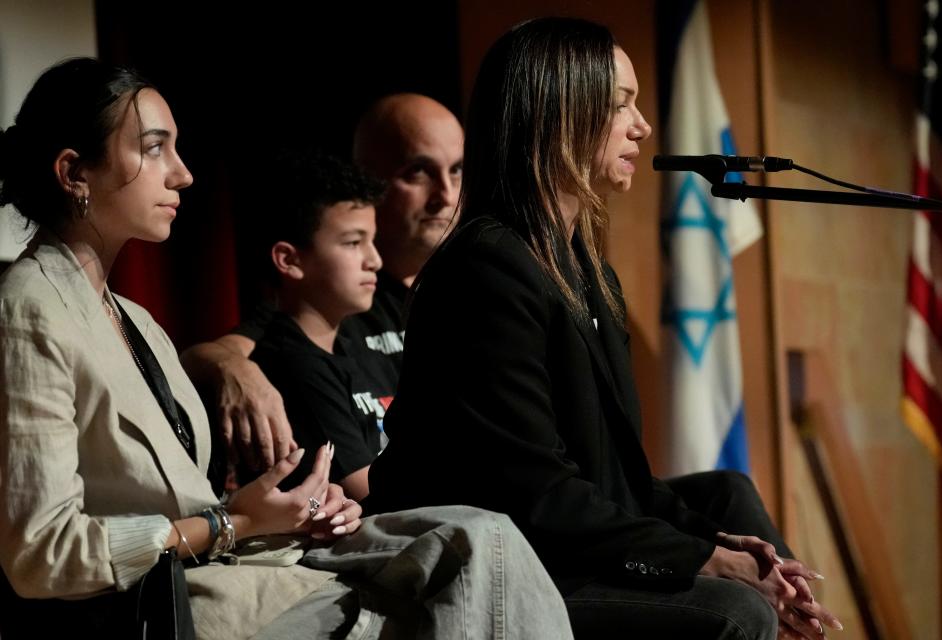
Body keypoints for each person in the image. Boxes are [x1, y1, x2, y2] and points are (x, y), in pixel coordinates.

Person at [0, 57, 574, 639]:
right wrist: (236, 521)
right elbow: (41, 553)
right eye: (154, 149)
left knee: (483, 535)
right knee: (477, 572)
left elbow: (195, 506)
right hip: (175, 609)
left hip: (245, 570)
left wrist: (293, 514)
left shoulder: (137, 321)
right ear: (74, 172)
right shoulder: (27, 309)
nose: (182, 174)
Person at [365, 18, 843, 640]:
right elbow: (534, 493)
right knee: (736, 607)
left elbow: (619, 478)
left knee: (726, 499)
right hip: (496, 569)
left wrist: (723, 546)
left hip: (553, 546)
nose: (641, 126)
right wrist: (702, 560)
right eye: (621, 105)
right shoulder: (487, 268)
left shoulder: (588, 270)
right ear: (559, 114)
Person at [179, 93, 463, 473]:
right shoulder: (331, 298)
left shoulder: (468, 294)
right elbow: (205, 356)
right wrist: (238, 371)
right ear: (369, 177)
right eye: (419, 172)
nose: (446, 195)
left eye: (457, 170)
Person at [245, 151, 392, 500]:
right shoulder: (294, 363)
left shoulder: (351, 347)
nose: (375, 260)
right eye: (354, 243)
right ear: (289, 260)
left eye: (372, 241)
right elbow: (366, 491)